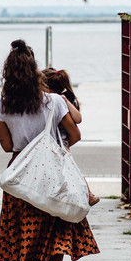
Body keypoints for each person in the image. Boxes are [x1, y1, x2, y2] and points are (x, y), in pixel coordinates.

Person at [0, 40, 99, 261]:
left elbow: (6, 146)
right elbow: (75, 135)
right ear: (34, 70)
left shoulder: (1, 105)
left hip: (21, 175)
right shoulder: (53, 101)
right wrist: (53, 149)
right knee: (58, 228)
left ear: (8, 73)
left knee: (24, 232)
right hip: (51, 173)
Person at [42, 67, 100, 206]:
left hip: (59, 142)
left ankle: (88, 194)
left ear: (49, 88)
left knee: (71, 170)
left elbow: (78, 119)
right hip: (61, 142)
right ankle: (86, 195)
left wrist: (65, 102)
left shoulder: (62, 99)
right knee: (70, 169)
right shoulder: (65, 97)